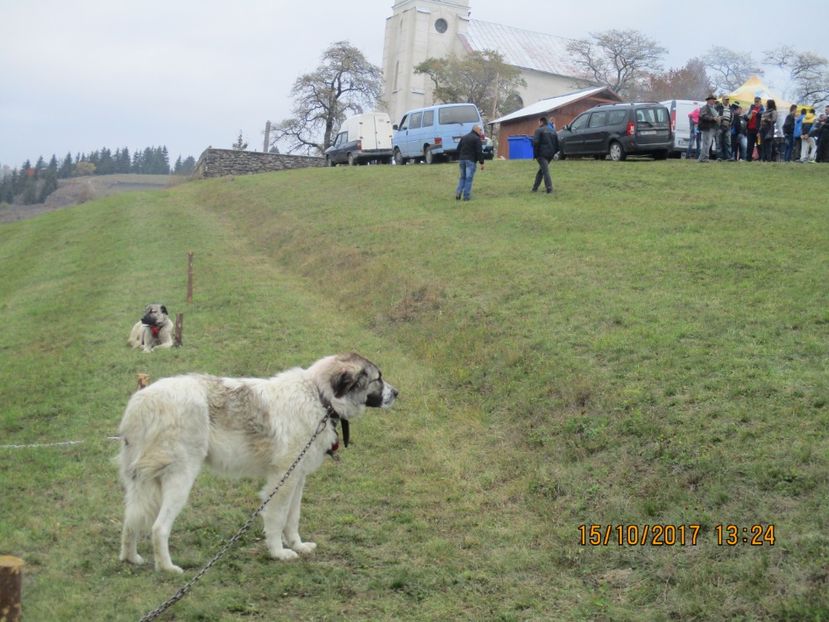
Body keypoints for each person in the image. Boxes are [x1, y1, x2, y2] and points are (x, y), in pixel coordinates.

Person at [455, 125, 485, 201]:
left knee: (462, 177)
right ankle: (466, 197)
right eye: (480, 130)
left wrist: (461, 157)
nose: (481, 132)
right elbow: (479, 152)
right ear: (476, 130)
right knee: (468, 179)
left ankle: (458, 193)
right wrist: (481, 163)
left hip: (462, 160)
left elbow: (458, 149)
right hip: (470, 161)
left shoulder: (464, 137)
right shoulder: (477, 139)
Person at [531, 116, 558, 194]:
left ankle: (549, 189)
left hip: (541, 155)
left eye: (539, 122)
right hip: (550, 155)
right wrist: (554, 153)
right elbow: (557, 143)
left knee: (545, 171)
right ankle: (534, 188)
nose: (538, 123)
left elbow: (535, 142)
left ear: (542, 122)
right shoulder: (553, 131)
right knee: (541, 170)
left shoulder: (538, 130)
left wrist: (535, 154)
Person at [697, 95, 719, 163]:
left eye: (714, 99)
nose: (713, 101)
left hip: (712, 128)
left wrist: (718, 118)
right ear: (708, 100)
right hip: (706, 128)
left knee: (707, 143)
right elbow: (703, 116)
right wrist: (713, 118)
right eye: (712, 99)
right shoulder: (705, 107)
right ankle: (705, 158)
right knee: (707, 143)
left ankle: (701, 158)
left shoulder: (713, 108)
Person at [745, 96, 764, 161]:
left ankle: (761, 159)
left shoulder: (762, 109)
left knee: (759, 145)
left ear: (760, 102)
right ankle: (748, 159)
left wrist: (757, 113)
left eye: (757, 102)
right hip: (750, 130)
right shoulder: (751, 108)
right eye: (755, 101)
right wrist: (751, 114)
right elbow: (746, 118)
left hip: (758, 131)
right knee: (750, 145)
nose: (756, 103)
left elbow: (762, 117)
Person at [717, 95, 732, 161]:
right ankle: (719, 157)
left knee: (728, 142)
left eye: (728, 99)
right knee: (719, 142)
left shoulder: (731, 108)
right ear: (722, 100)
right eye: (726, 99)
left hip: (728, 126)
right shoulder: (718, 107)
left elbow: (732, 117)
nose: (727, 101)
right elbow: (716, 115)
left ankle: (728, 157)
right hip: (720, 127)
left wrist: (730, 124)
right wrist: (720, 120)